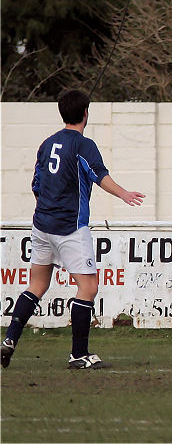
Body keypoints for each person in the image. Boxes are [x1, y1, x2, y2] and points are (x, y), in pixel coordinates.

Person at [1, 90, 145, 370]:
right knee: (88, 287)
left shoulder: (46, 144)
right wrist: (124, 194)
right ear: (85, 114)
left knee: (37, 285)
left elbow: (36, 187)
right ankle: (79, 354)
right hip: (70, 228)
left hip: (41, 225)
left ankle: (9, 339)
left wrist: (48, 211)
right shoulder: (83, 145)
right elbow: (99, 176)